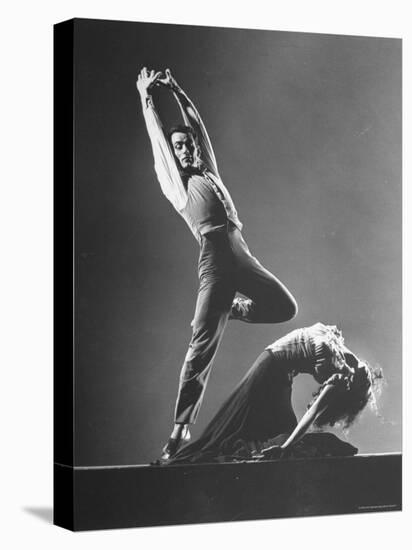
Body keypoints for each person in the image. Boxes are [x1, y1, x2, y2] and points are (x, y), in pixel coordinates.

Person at [136, 67, 298, 460]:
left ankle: (233, 308)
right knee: (201, 345)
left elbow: (197, 125)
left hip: (242, 252)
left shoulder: (209, 170)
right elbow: (159, 142)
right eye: (179, 147)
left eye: (188, 144)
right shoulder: (178, 185)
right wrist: (146, 97)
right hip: (215, 259)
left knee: (285, 307)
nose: (185, 149)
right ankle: (179, 431)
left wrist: (176, 88)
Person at [168, 322, 382, 464]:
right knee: (255, 431)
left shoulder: (341, 375)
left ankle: (275, 453)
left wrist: (285, 447)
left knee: (281, 434)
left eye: (365, 382)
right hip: (270, 369)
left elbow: (312, 413)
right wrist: (285, 447)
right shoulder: (339, 352)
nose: (367, 374)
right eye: (368, 379)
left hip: (276, 374)